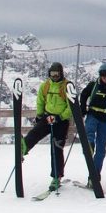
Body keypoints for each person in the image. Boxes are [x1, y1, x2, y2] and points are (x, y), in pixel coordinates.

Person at [22, 62, 72, 191]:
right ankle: (23, 148)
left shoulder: (66, 86)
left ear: (61, 73)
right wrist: (39, 115)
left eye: (57, 74)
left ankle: (56, 177)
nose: (54, 76)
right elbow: (40, 100)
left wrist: (61, 117)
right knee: (35, 133)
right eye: (52, 74)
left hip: (61, 120)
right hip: (48, 116)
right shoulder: (45, 86)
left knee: (56, 148)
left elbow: (71, 106)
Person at [78, 62, 106, 187]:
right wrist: (82, 108)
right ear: (99, 74)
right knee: (89, 134)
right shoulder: (93, 85)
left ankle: (94, 177)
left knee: (101, 150)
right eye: (103, 74)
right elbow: (83, 95)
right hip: (93, 114)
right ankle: (89, 146)